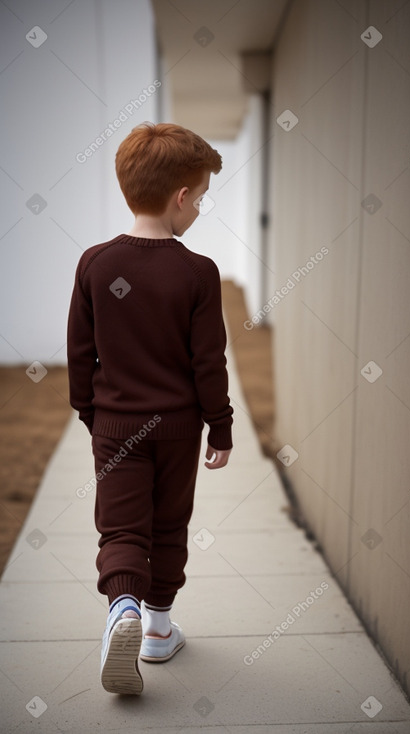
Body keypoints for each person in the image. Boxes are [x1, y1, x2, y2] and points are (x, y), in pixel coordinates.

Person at [67, 122, 233, 695]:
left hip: (117, 427)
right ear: (181, 197)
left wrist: (93, 415)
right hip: (178, 429)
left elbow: (80, 353)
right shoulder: (198, 272)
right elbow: (208, 361)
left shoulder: (95, 264)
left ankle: (122, 611)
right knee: (168, 524)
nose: (199, 210)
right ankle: (159, 629)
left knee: (121, 527)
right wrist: (221, 427)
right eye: (202, 198)